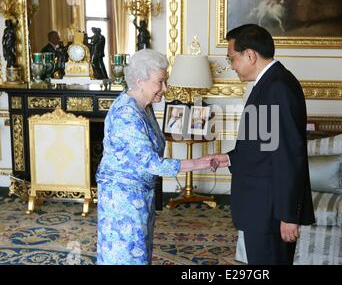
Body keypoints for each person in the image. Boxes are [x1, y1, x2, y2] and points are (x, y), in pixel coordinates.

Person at [96, 49, 217, 265]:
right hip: (122, 200)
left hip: (139, 195)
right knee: (125, 257)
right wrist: (199, 163)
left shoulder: (144, 107)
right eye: (160, 82)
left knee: (139, 254)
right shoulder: (126, 113)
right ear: (140, 81)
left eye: (166, 81)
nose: (165, 88)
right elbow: (152, 163)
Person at [211, 24, 315, 264]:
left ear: (250, 55)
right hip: (260, 207)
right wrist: (230, 158)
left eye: (232, 59)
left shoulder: (278, 87)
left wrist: (289, 215)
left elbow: (288, 155)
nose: (232, 66)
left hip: (270, 210)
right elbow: (263, 144)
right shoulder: (267, 84)